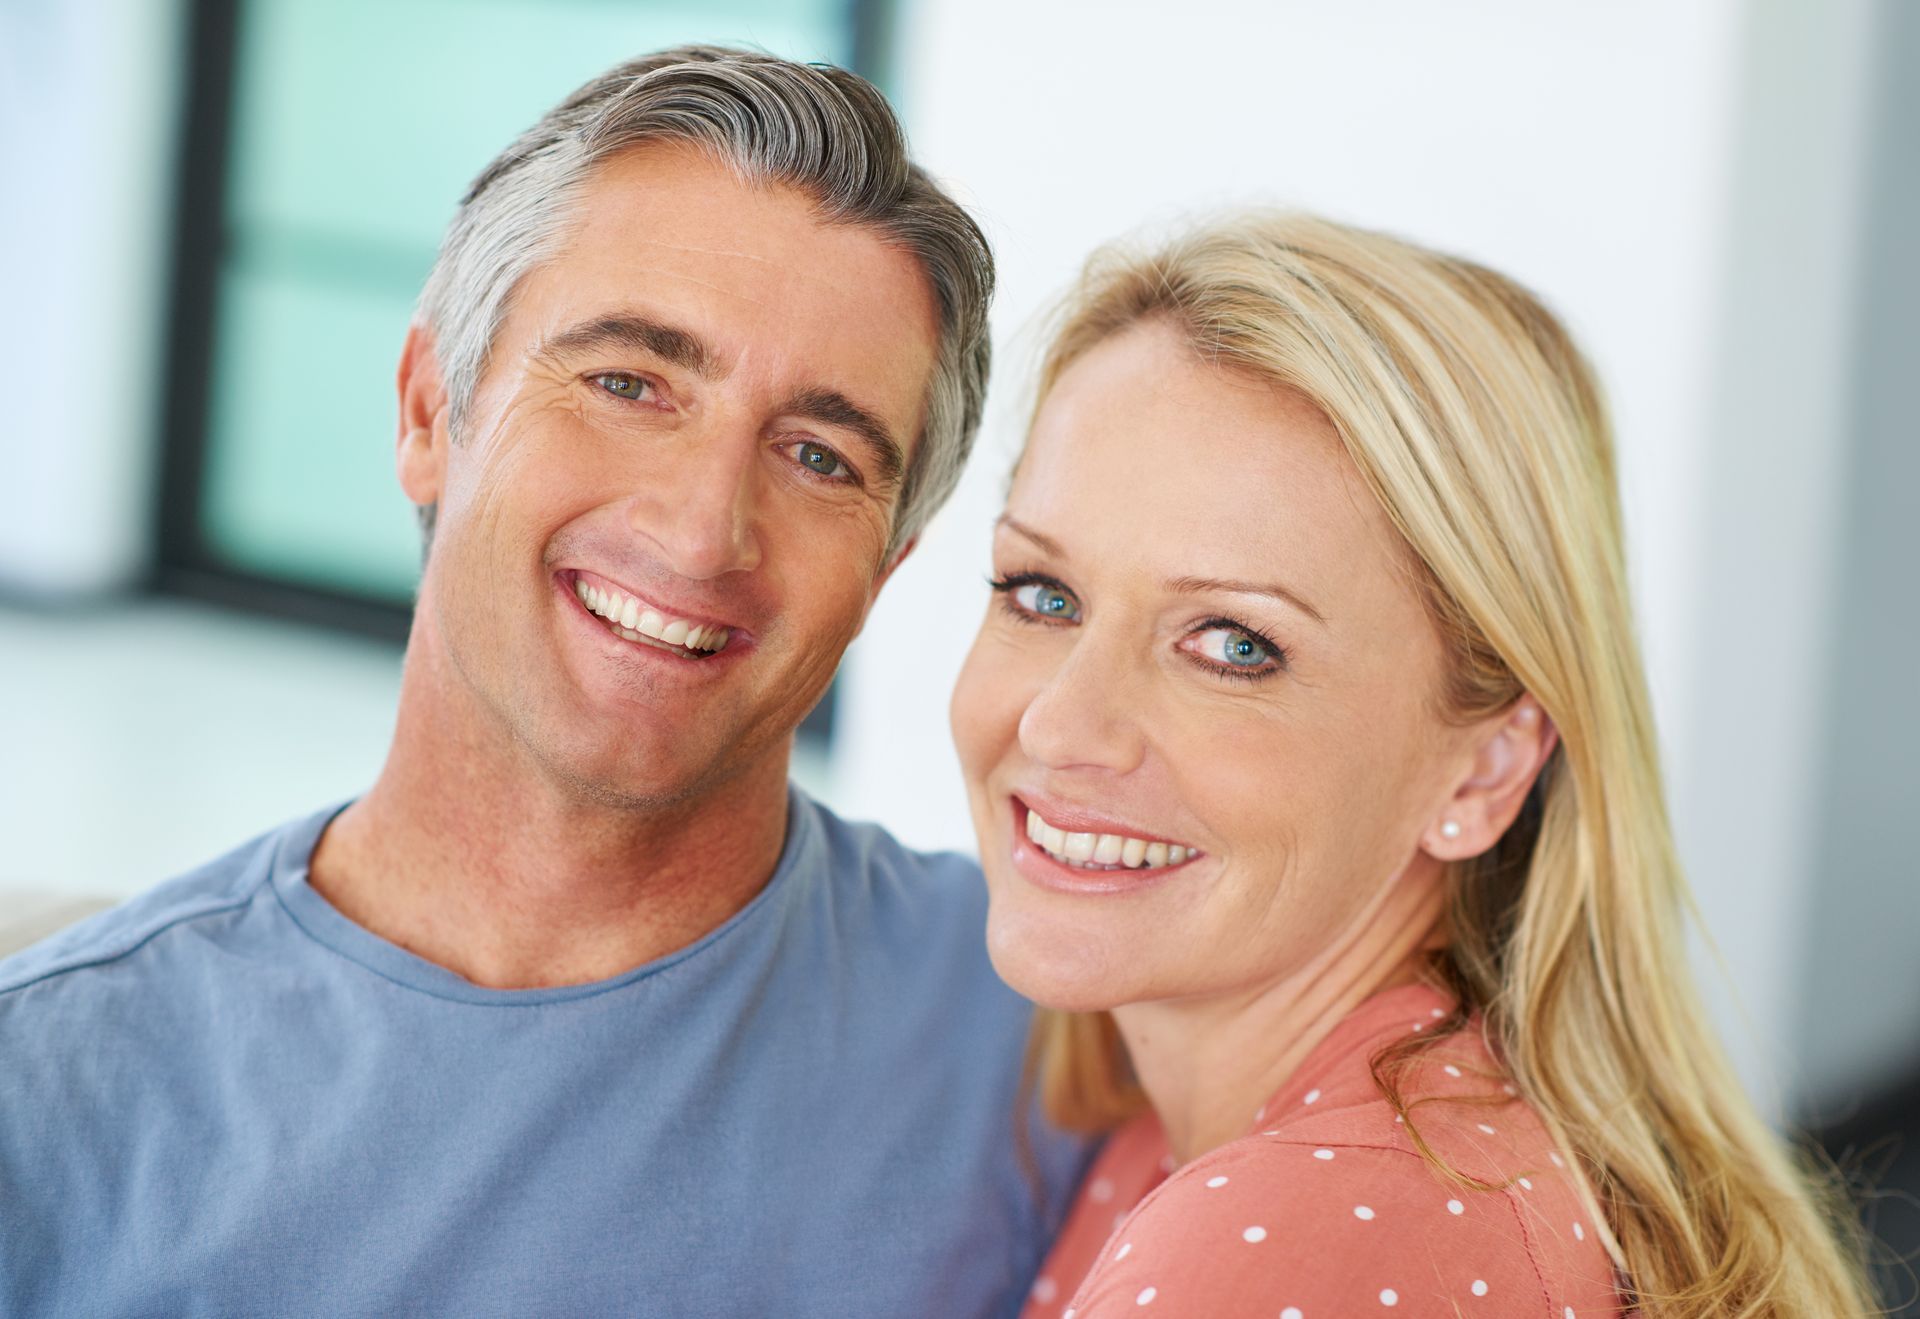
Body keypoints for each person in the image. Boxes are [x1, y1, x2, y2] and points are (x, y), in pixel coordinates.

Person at [0, 47, 1087, 1316]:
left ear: (887, 567)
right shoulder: (53, 1089)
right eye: (628, 383)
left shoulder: (1053, 1032)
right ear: (428, 412)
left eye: (819, 456)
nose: (703, 532)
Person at [950, 213, 1875, 1316]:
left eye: (1235, 644)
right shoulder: (1252, 1126)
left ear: (1484, 769)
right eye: (1042, 593)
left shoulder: (1292, 1238)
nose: (1061, 725)